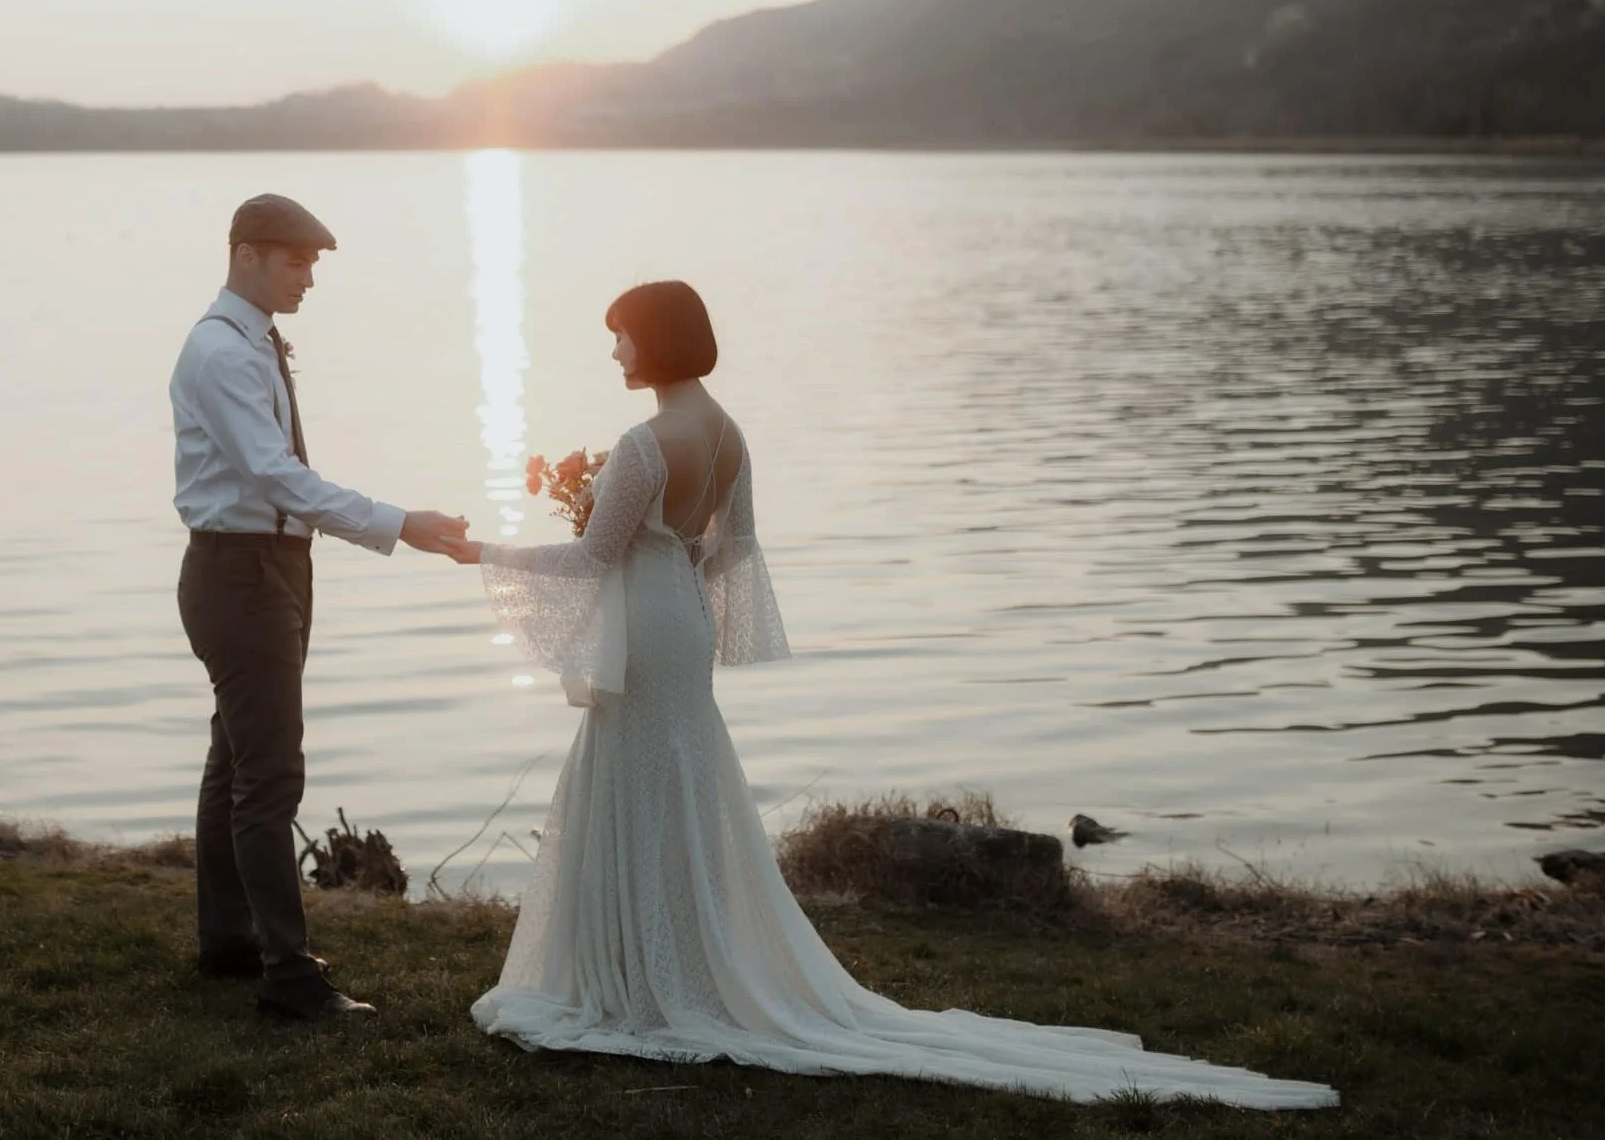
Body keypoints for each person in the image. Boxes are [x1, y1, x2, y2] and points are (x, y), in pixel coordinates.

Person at [441, 281, 1338, 1108]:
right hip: (682, 622)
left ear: (655, 340)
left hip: (649, 625)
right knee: (675, 773)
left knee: (633, 778)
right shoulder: (727, 432)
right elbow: (731, 549)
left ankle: (641, 977)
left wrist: (480, 552)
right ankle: (669, 958)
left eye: (621, 337)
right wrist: (666, 564)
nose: (614, 354)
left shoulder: (643, 443)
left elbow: (591, 557)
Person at [170, 193, 467, 1022]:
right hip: (242, 574)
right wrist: (399, 524)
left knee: (233, 761)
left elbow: (279, 487)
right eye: (296, 262)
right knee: (269, 778)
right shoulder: (222, 353)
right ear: (246, 255)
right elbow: (275, 475)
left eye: (313, 264)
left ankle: (229, 940)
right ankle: (291, 978)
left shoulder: (250, 341)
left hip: (269, 565)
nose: (308, 279)